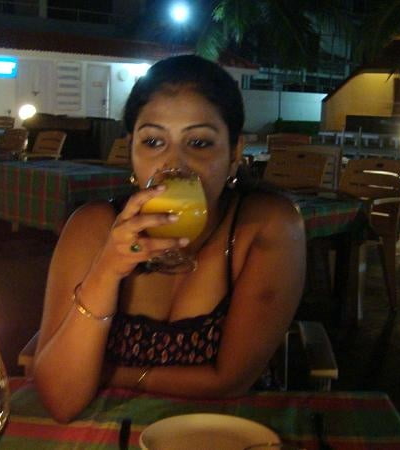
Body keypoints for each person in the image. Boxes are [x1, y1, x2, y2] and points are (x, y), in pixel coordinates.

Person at [33, 55, 306, 422]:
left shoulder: (265, 226)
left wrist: (109, 375)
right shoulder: (93, 229)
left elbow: (229, 382)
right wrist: (106, 272)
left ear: (234, 154)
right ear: (131, 150)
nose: (174, 164)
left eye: (199, 142)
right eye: (153, 141)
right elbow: (61, 399)